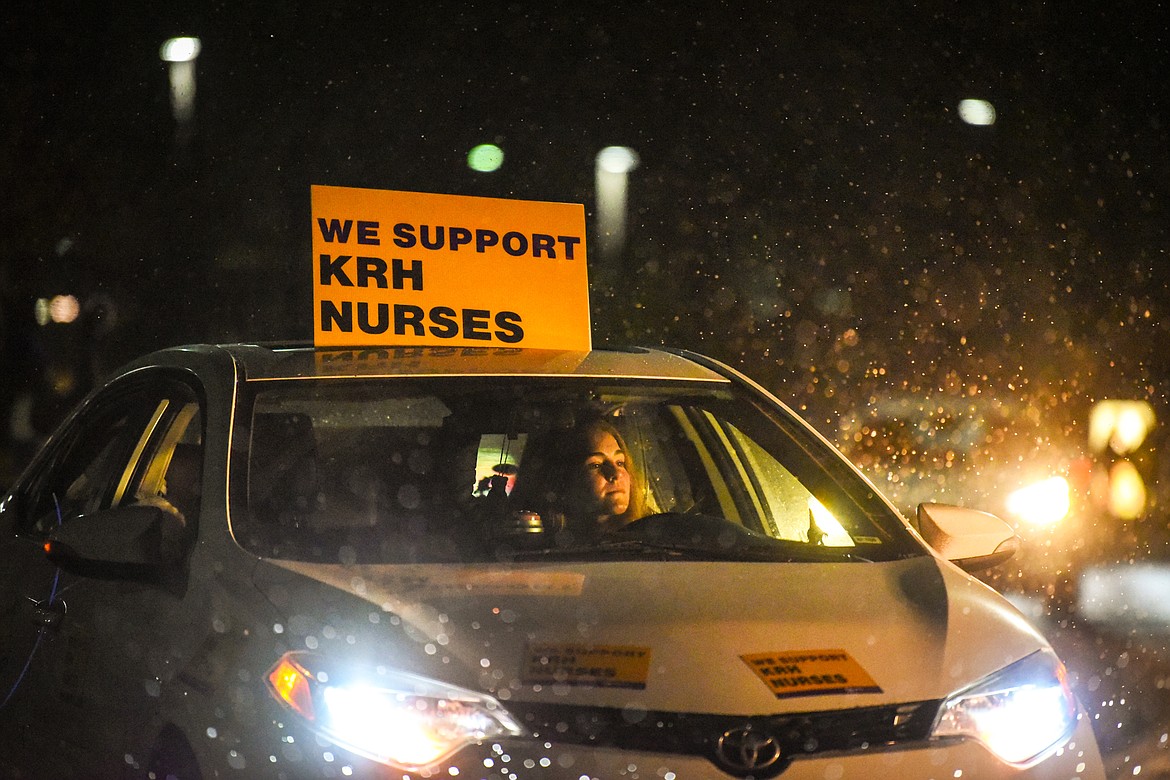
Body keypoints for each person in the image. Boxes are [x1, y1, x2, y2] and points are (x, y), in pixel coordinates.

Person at [513, 415, 651, 534]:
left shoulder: (654, 538)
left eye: (620, 462)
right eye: (596, 465)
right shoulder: (539, 553)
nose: (616, 474)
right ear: (564, 480)